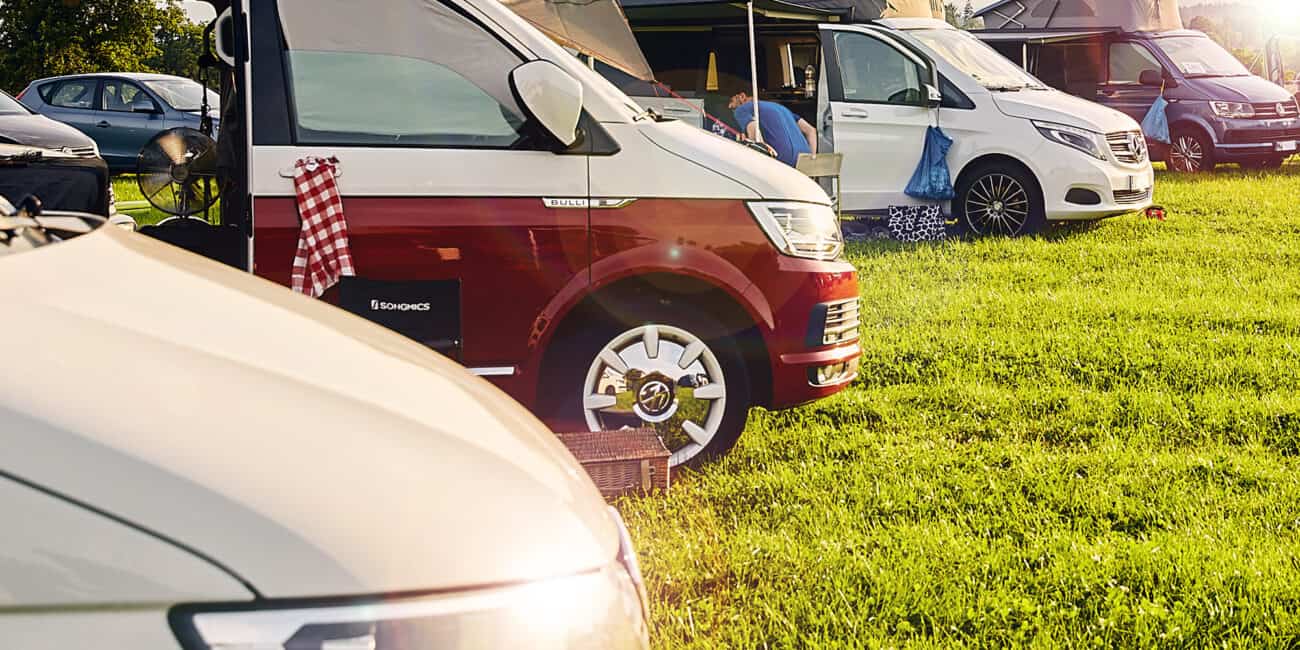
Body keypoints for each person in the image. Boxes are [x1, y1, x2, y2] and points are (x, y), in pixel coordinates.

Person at [728, 90, 817, 167]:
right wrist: (812, 162)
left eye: (731, 103)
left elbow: (754, 132)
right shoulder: (780, 108)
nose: (730, 107)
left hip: (783, 159)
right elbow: (811, 130)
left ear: (742, 96)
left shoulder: (741, 109)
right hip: (805, 158)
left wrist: (759, 162)